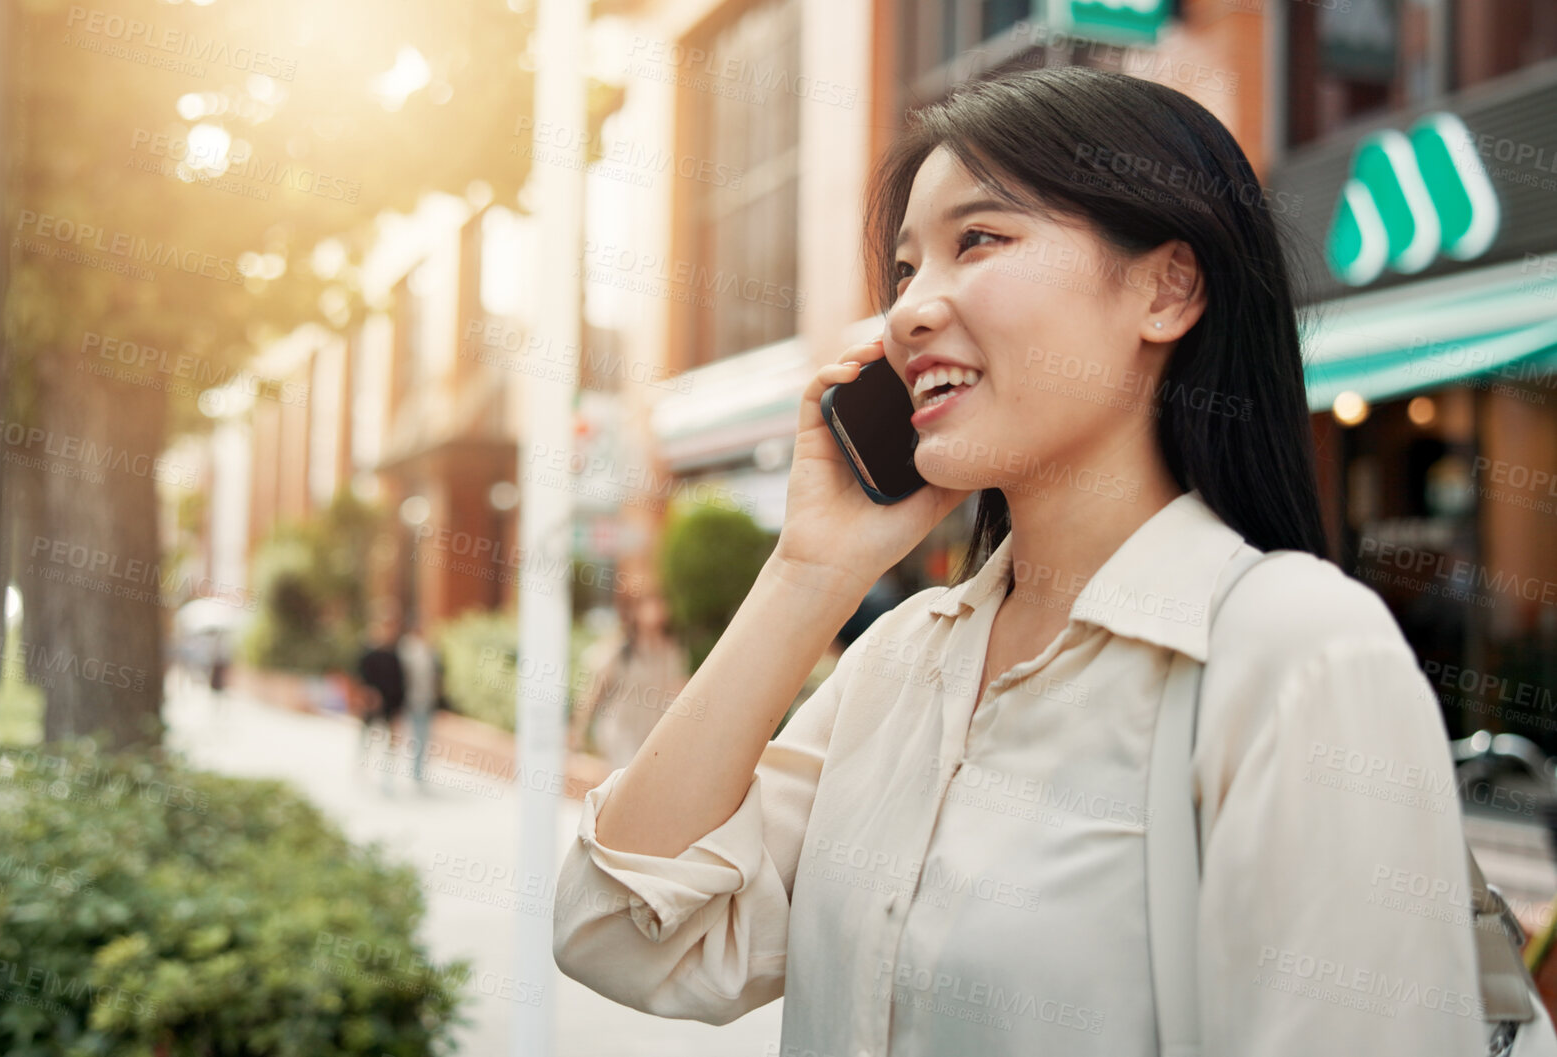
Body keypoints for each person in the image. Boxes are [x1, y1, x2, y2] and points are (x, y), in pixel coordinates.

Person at [552, 67, 1549, 1056]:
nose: (906, 312)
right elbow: (621, 934)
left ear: (1167, 288)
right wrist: (808, 572)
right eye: (903, 270)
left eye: (976, 240)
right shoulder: (900, 663)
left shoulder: (1292, 653)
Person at [568, 593, 690, 770]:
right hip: (621, 733)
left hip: (651, 732)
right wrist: (577, 729)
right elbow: (595, 689)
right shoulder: (620, 648)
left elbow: (677, 687)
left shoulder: (670, 650)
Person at [354, 609, 406, 787]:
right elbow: (361, 678)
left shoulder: (396, 654)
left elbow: (400, 682)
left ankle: (387, 778)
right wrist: (368, 695)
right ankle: (362, 770)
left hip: (390, 706)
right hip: (372, 704)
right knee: (367, 737)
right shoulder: (370, 652)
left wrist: (399, 707)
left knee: (390, 743)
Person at [395, 616, 441, 790]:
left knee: (423, 736)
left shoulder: (429, 649)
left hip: (426, 700)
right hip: (409, 700)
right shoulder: (406, 648)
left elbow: (435, 674)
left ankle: (418, 772)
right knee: (409, 735)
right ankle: (407, 770)